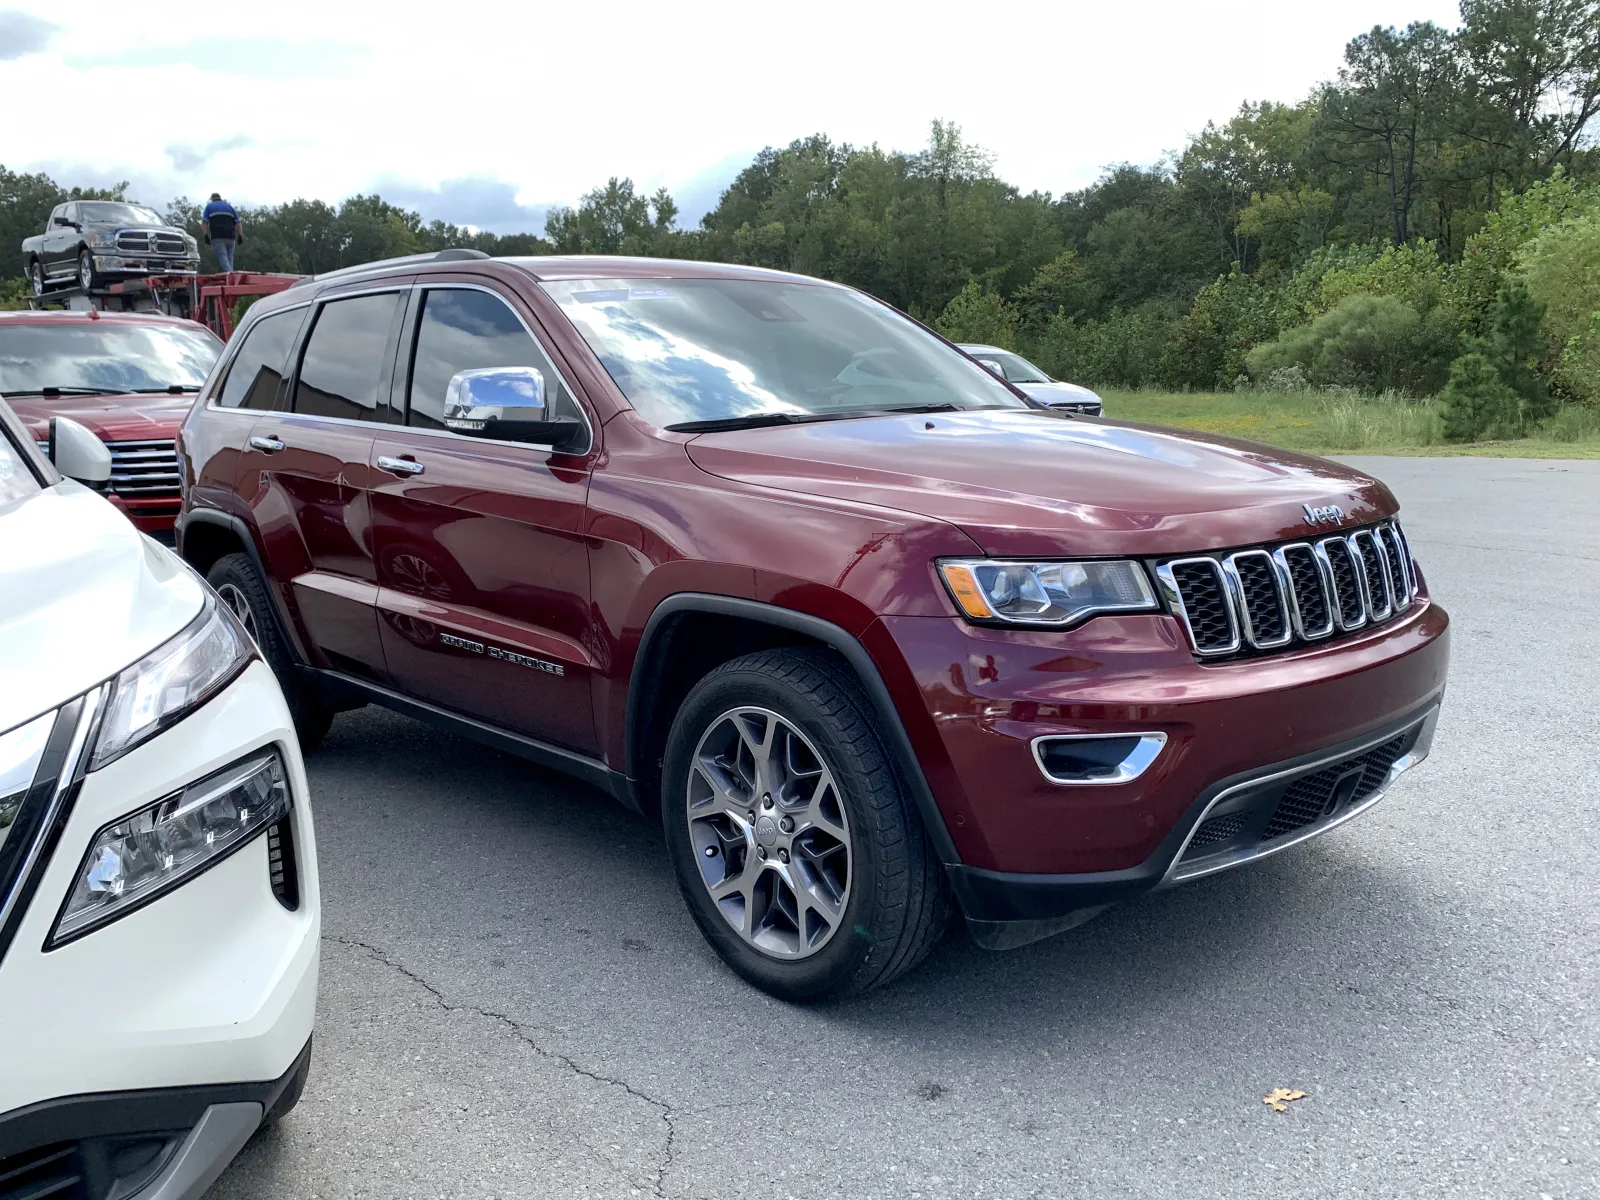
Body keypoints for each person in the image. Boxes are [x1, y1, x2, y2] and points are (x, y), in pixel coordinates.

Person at [201, 192, 243, 273]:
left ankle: (230, 276)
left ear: (212, 199)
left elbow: (205, 222)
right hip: (231, 236)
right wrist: (240, 235)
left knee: (222, 256)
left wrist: (205, 235)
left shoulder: (209, 207)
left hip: (217, 236)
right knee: (230, 258)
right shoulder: (229, 207)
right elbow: (238, 222)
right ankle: (231, 276)